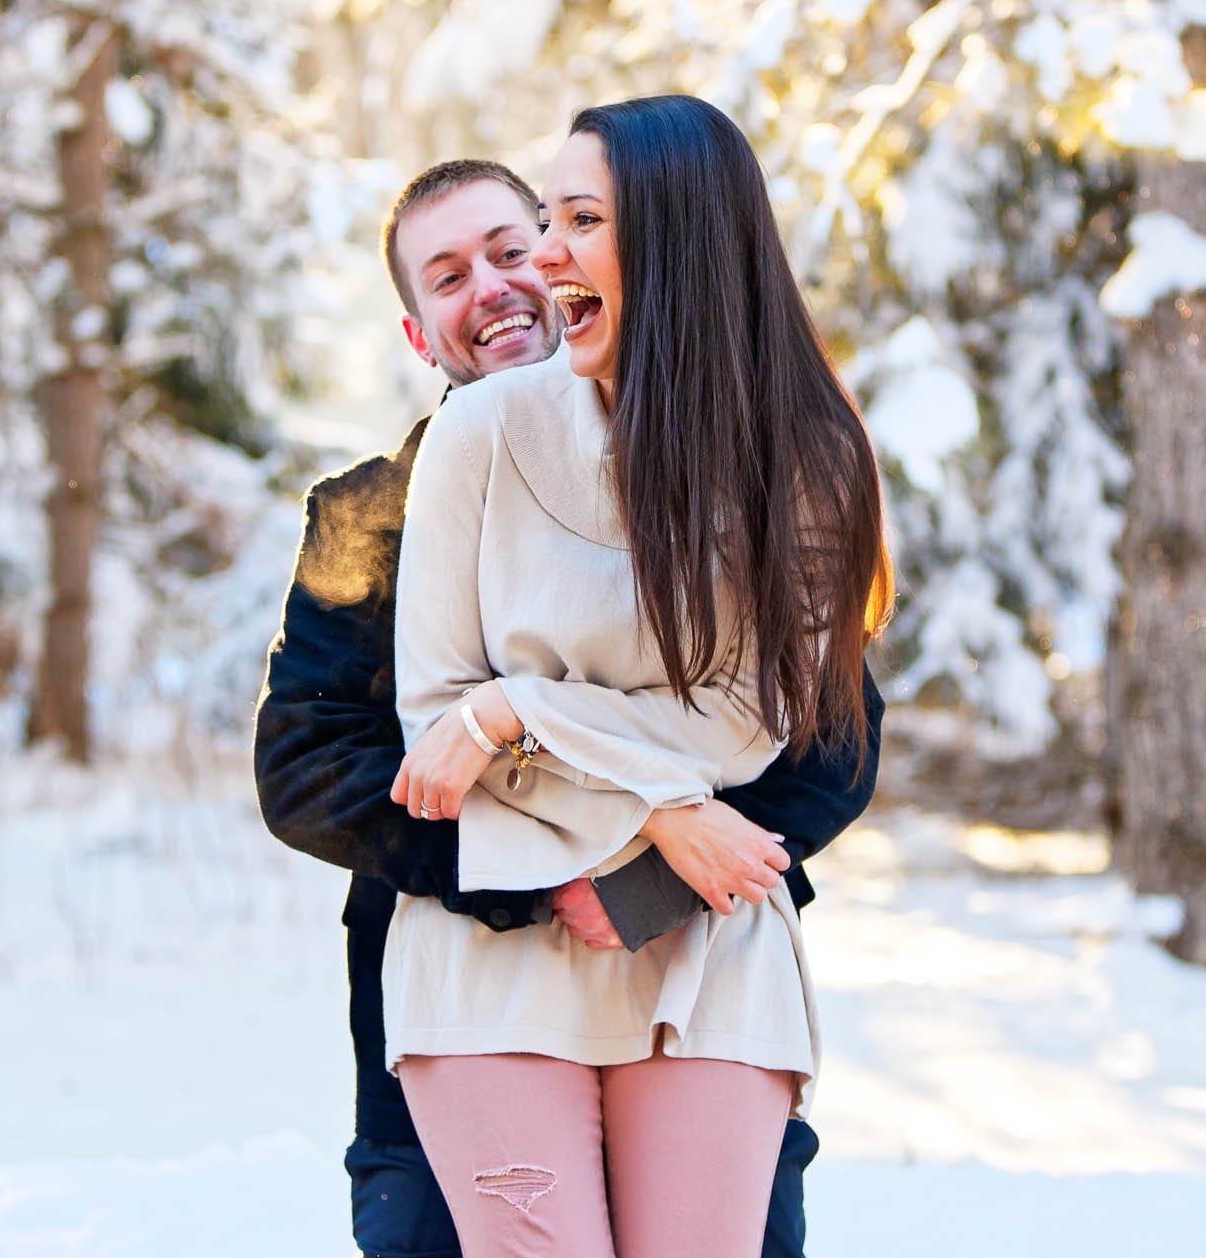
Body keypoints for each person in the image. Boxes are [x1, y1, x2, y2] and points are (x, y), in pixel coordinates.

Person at [254, 147, 884, 1258]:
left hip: (691, 977)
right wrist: (551, 874)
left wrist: (641, 885)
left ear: (573, 264)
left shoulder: (721, 466)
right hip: (467, 983)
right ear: (416, 334)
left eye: (511, 249)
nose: (493, 285)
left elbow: (816, 746)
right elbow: (312, 768)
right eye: (446, 277)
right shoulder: (365, 517)